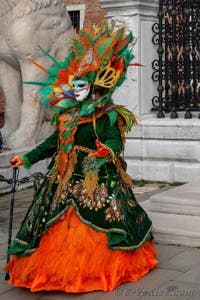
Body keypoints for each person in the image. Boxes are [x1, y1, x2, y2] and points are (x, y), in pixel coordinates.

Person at [4, 22, 158, 293]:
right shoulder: (66, 116)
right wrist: (26, 159)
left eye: (81, 86)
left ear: (93, 87)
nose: (75, 90)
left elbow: (113, 139)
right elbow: (53, 143)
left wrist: (106, 151)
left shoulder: (107, 114)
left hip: (95, 174)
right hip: (62, 176)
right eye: (73, 85)